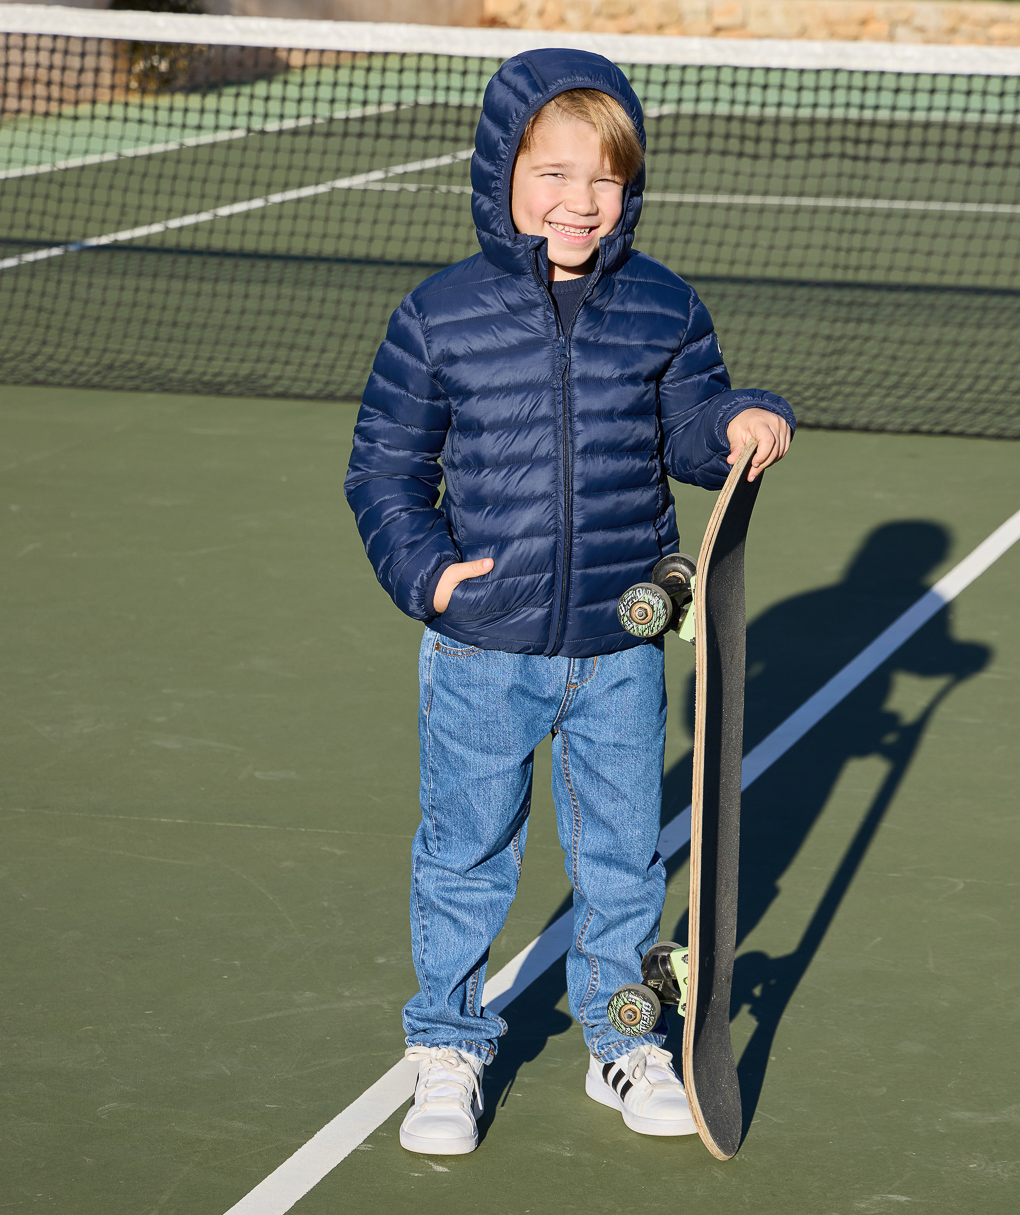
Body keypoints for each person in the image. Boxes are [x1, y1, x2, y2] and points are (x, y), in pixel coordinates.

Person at [344, 48, 794, 1156]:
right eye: (551, 174)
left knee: (624, 857)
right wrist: (429, 573)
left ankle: (621, 1037)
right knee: (464, 852)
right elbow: (386, 472)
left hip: (620, 644)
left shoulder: (661, 305)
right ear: (502, 172)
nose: (578, 202)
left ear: (628, 188)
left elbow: (690, 432)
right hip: (482, 646)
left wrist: (740, 420)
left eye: (603, 180)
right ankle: (446, 1048)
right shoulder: (439, 314)